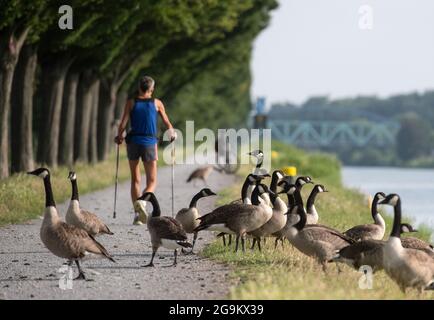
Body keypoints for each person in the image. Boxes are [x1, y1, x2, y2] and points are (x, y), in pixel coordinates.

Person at [115, 76, 176, 225]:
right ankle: (142, 202)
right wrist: (172, 134)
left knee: (135, 180)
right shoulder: (157, 103)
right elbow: (168, 123)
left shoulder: (131, 102)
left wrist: (119, 137)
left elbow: (122, 124)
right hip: (149, 142)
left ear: (139, 88)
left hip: (133, 142)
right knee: (152, 180)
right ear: (152, 89)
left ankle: (137, 215)